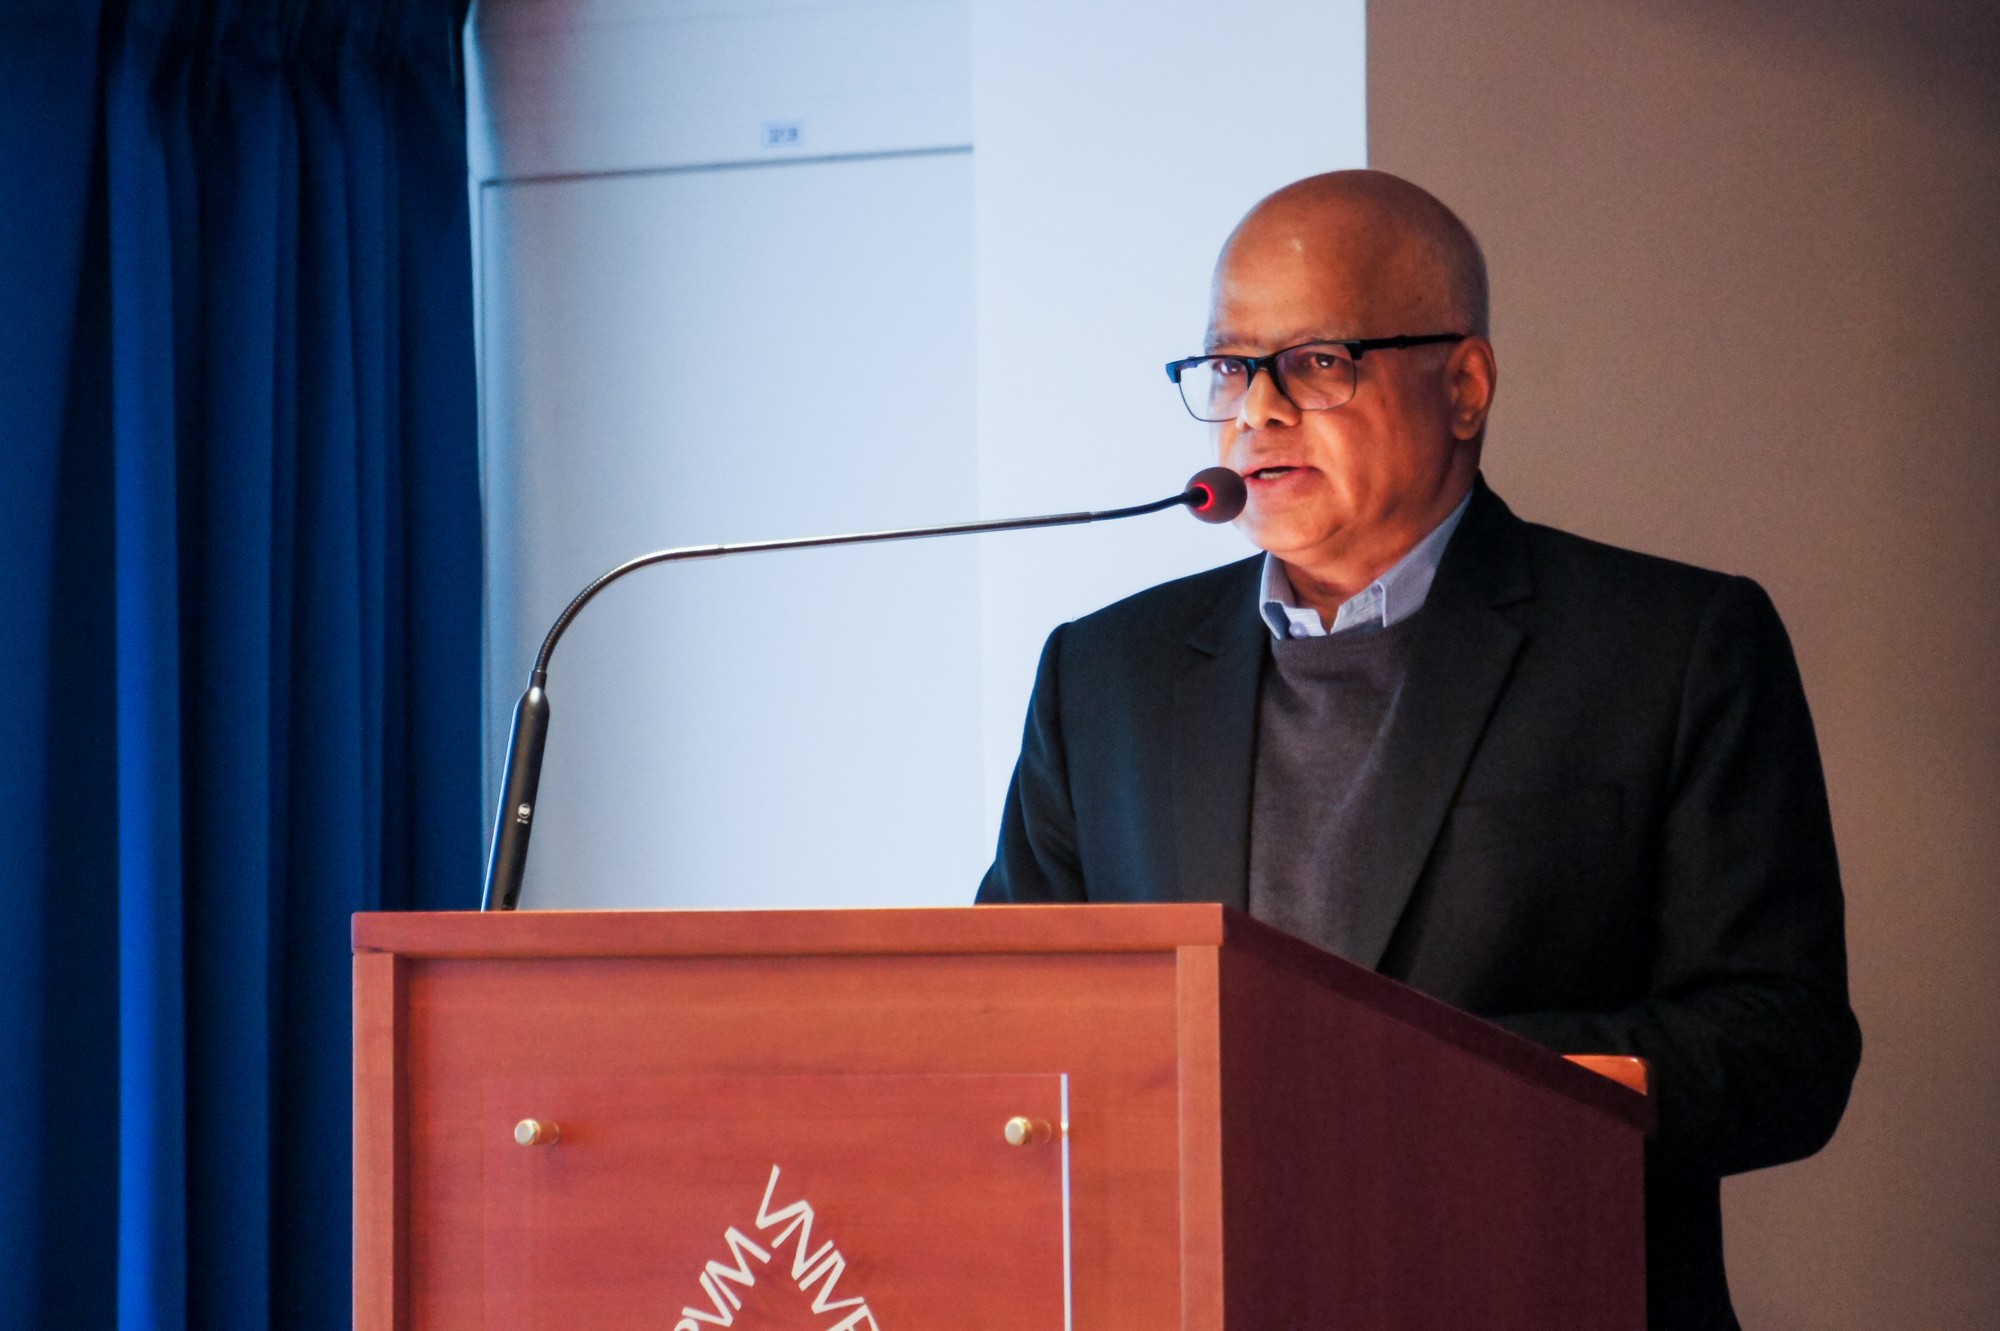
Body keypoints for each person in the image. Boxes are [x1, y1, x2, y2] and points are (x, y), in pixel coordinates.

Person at [976, 170, 1861, 1331]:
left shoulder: (1670, 648)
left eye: (1315, 361)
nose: (1257, 412)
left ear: (1463, 386)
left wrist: (1419, 1083)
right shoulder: (1104, 674)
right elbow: (1008, 1021)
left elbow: (1781, 1050)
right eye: (1228, 366)